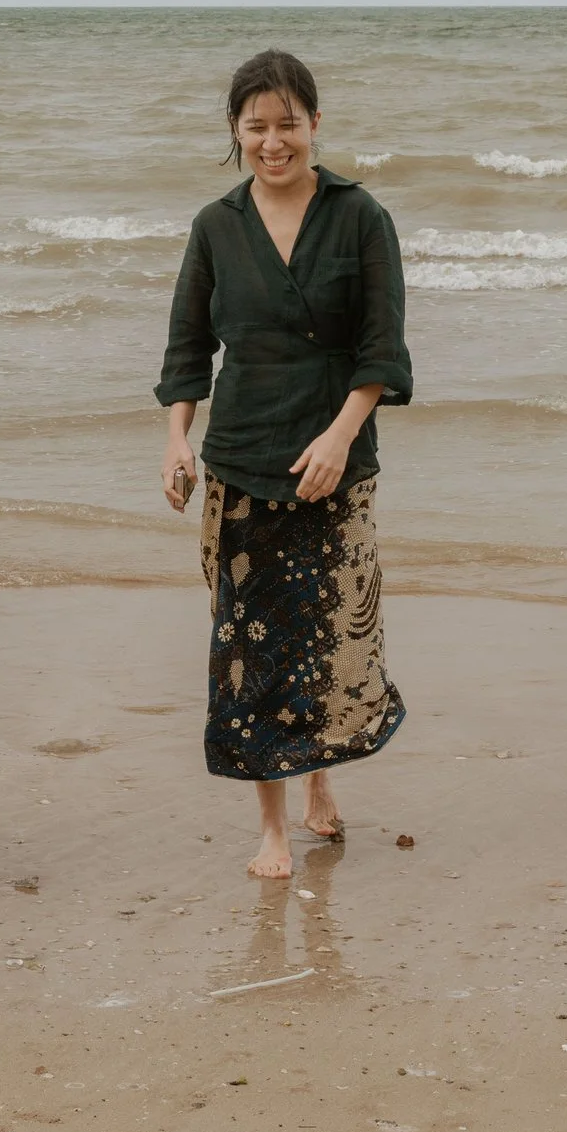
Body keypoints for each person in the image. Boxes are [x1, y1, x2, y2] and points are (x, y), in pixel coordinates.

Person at [157, 50, 412, 879]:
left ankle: (320, 781)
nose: (274, 142)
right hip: (241, 462)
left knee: (328, 634)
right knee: (249, 644)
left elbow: (382, 349)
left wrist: (341, 436)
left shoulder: (361, 216)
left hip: (335, 461)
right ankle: (271, 824)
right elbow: (189, 350)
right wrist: (177, 439)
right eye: (256, 126)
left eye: (288, 124)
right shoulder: (215, 226)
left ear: (315, 124)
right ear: (236, 130)